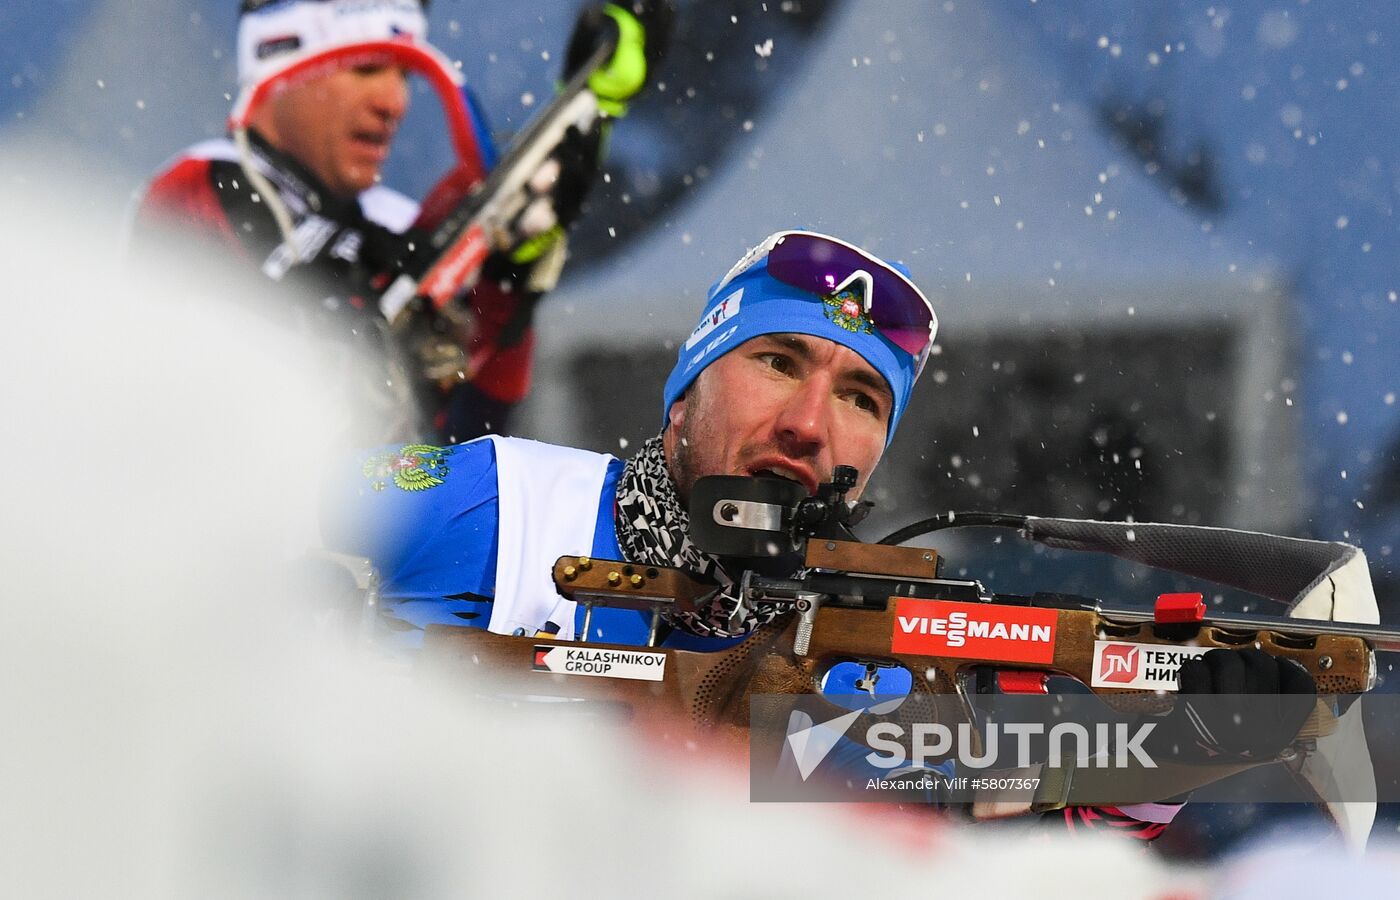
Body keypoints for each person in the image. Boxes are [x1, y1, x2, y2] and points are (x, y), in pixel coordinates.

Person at [323, 229, 1317, 839]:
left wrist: (1172, 743)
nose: (808, 423)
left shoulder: (869, 675)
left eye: (858, 397)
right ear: (684, 389)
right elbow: (211, 527)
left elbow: (1045, 824)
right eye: (776, 362)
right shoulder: (496, 502)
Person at [133, 0, 667, 443]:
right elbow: (299, 345)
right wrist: (432, 278)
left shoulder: (393, 223)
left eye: (405, 75)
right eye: (366, 69)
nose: (393, 102)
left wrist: (506, 290)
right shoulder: (194, 187)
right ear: (278, 72)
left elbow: (474, 443)